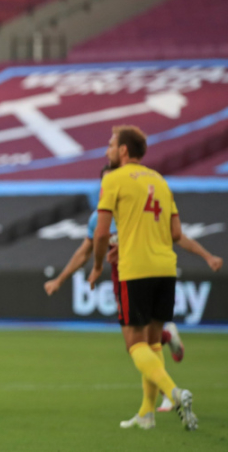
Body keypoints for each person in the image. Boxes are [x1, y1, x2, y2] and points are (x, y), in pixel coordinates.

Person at [44, 166, 222, 412]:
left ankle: (168, 395)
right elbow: (84, 250)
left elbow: (176, 236)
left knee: (137, 344)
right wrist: (60, 280)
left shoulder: (137, 211)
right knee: (144, 341)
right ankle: (166, 349)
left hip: (142, 275)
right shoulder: (99, 217)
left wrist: (206, 255)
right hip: (124, 281)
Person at [87, 126, 197, 431]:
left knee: (133, 344)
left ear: (123, 151)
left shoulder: (113, 179)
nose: (107, 151)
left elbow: (100, 233)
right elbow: (176, 233)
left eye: (110, 145)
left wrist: (97, 266)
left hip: (135, 269)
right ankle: (147, 413)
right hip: (165, 268)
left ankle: (174, 392)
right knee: (152, 342)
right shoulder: (160, 180)